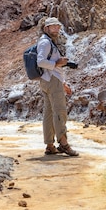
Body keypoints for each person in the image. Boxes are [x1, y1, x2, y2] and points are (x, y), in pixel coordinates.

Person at [36, 17, 79, 156]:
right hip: (52, 81)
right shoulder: (45, 42)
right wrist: (57, 62)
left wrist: (63, 82)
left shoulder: (48, 42)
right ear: (46, 28)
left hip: (48, 80)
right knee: (60, 111)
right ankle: (64, 144)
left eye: (57, 27)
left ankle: (49, 145)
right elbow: (41, 61)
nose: (56, 29)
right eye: (52, 27)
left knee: (49, 113)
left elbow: (51, 65)